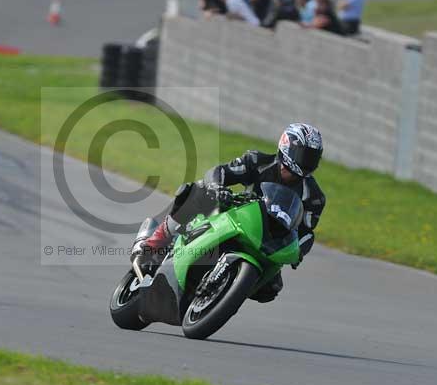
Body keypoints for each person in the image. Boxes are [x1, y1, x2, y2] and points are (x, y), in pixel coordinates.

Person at [132, 123, 325, 304]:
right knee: (196, 190)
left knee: (271, 288)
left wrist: (298, 250)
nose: (307, 162)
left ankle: (223, 293)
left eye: (312, 157)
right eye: (304, 155)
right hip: (238, 215)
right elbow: (219, 172)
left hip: (271, 240)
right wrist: (216, 187)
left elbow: (307, 232)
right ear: (286, 146)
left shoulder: (314, 197)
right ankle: (153, 244)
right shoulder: (258, 162)